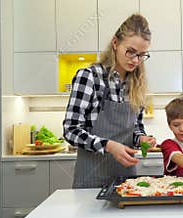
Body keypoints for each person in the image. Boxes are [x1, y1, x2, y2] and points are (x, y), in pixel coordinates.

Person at [63, 14, 156, 188]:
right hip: (91, 180)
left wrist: (141, 138)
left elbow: (135, 127)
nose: (135, 60)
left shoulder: (137, 83)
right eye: (130, 51)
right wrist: (109, 146)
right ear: (115, 43)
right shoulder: (90, 77)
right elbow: (71, 131)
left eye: (142, 55)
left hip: (126, 182)